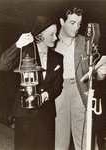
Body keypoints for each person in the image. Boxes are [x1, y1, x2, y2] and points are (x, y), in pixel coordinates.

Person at [0, 15, 63, 150]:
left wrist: (46, 95)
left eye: (56, 34)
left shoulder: (58, 57)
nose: (56, 38)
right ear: (40, 35)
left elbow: (58, 85)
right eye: (52, 34)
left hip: (47, 115)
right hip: (24, 114)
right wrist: (18, 45)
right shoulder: (24, 52)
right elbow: (1, 65)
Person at [55, 6, 106, 150]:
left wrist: (101, 72)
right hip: (58, 91)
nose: (77, 27)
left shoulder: (85, 42)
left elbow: (94, 72)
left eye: (79, 23)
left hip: (80, 89)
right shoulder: (52, 42)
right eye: (72, 23)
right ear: (61, 21)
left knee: (84, 135)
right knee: (59, 137)